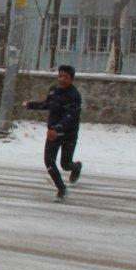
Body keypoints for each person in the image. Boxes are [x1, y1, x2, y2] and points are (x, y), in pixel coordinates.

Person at [23, 64, 83, 202]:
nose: (62, 79)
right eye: (60, 76)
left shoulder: (74, 96)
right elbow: (48, 104)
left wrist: (57, 129)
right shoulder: (53, 91)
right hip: (52, 133)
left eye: (66, 77)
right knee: (49, 161)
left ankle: (76, 167)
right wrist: (31, 105)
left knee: (65, 164)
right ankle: (62, 189)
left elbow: (69, 117)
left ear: (71, 79)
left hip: (68, 134)